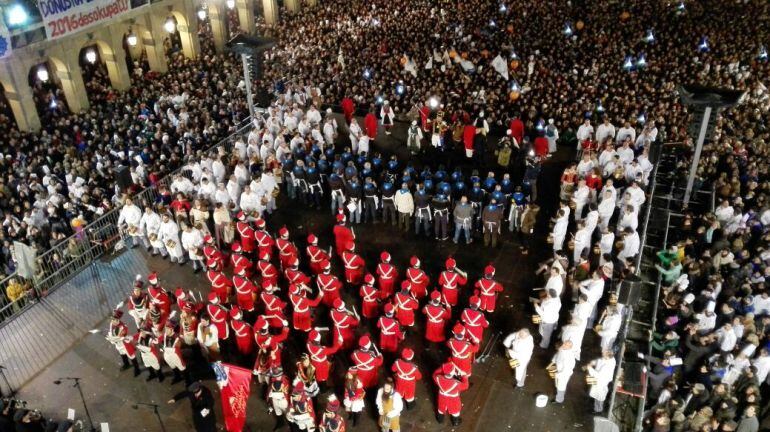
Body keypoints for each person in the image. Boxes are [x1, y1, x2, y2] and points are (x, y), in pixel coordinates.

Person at [433, 362, 469, 426]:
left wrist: (443, 368)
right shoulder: (456, 383)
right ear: (452, 373)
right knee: (455, 411)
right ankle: (456, 422)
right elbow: (466, 386)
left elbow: (435, 373)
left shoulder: (438, 378)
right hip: (453, 400)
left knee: (441, 409)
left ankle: (440, 420)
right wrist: (464, 376)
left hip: (442, 398)